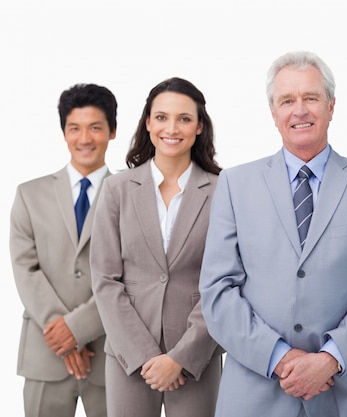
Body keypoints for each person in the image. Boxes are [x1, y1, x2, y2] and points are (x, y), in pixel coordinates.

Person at [198, 50, 347, 417]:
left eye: (311, 97)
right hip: (253, 396)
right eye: (287, 100)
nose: (300, 110)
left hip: (339, 395)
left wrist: (329, 359)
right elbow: (218, 291)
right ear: (273, 113)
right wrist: (280, 358)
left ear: (331, 106)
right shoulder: (235, 184)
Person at [90, 77, 223, 417]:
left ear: (199, 127)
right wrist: (145, 355)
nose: (171, 128)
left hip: (197, 357)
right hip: (128, 358)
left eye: (184, 118)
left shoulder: (224, 192)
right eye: (161, 117)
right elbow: (105, 280)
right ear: (148, 122)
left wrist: (182, 356)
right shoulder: (116, 189)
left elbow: (225, 282)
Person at [10, 83, 117, 417]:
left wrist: (78, 330)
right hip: (46, 353)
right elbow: (25, 270)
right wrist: (63, 331)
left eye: (95, 127)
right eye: (75, 128)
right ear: (64, 133)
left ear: (112, 132)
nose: (84, 138)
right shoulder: (29, 194)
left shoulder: (130, 196)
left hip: (108, 355)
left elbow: (131, 276)